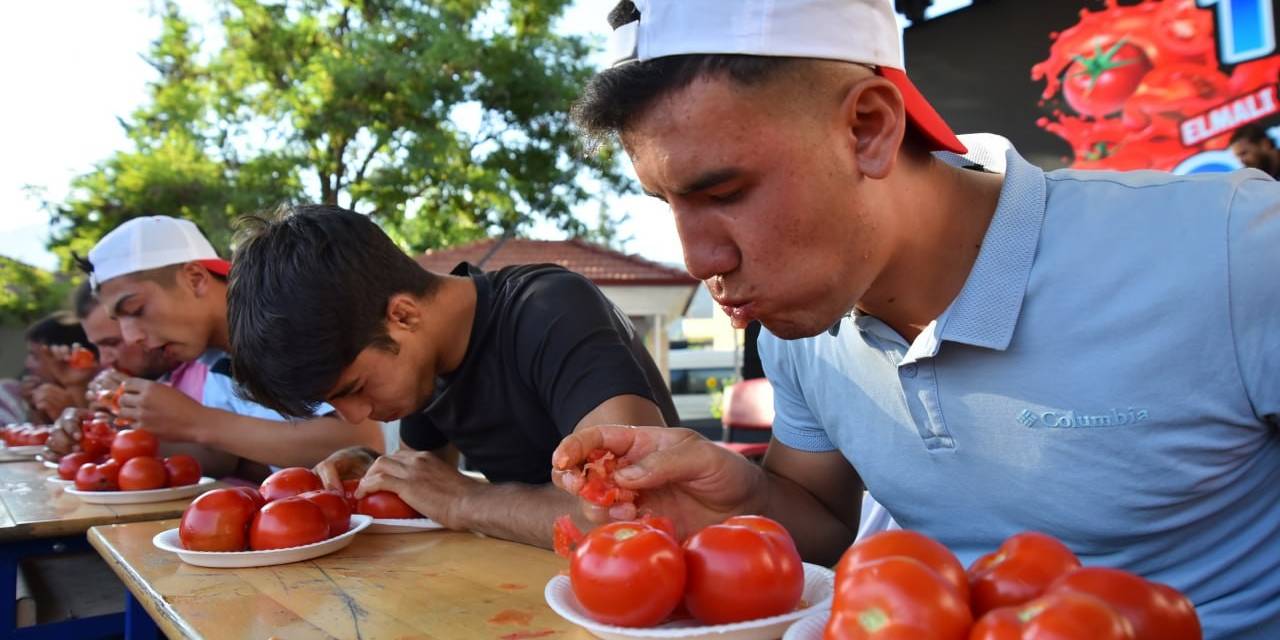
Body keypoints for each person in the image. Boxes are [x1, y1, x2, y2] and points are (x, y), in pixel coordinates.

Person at [550, 2, 1280, 638]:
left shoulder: (1236, 252)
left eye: (726, 191)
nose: (698, 256)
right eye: (666, 203)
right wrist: (736, 495)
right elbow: (826, 523)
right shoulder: (804, 334)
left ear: (869, 127)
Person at [224, 204, 680, 549]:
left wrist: (465, 501)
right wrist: (375, 471)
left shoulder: (548, 308)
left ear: (402, 315)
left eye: (355, 389)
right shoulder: (426, 368)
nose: (356, 414)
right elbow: (429, 485)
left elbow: (635, 510)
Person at [82, 215, 385, 471]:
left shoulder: (282, 317)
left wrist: (197, 422)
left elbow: (361, 442)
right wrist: (115, 432)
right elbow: (224, 458)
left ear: (195, 278)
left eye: (136, 310)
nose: (131, 336)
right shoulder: (212, 357)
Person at [43, 281, 247, 479]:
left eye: (112, 342)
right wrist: (94, 433)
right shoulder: (153, 374)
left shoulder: (213, 363)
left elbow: (224, 460)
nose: (105, 359)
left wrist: (127, 424)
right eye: (98, 347)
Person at [21, 312, 96, 422]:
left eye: (35, 356)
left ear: (60, 356)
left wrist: (65, 411)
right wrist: (36, 409)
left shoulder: (101, 395)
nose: (27, 364)